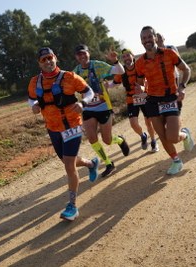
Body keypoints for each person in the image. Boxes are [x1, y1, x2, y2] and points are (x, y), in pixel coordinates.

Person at [27, 47, 98, 221]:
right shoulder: (35, 82)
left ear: (55, 58)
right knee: (70, 161)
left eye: (50, 58)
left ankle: (72, 206)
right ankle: (90, 164)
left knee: (68, 165)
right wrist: (33, 105)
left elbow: (88, 91)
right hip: (53, 128)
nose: (48, 62)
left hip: (72, 126)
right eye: (43, 60)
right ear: (39, 63)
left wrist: (83, 104)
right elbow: (31, 97)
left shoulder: (69, 77)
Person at [135, 26, 194, 175]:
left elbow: (186, 69)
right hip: (152, 100)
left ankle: (185, 134)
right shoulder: (140, 62)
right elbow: (140, 84)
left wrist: (182, 87)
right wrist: (140, 90)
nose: (146, 40)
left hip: (170, 97)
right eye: (143, 38)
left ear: (155, 37)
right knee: (162, 135)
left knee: (172, 137)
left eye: (149, 37)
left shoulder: (169, 53)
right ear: (141, 41)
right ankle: (176, 161)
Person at [73, 44, 130, 178]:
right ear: (76, 57)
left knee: (107, 140)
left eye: (84, 53)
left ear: (88, 53)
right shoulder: (75, 71)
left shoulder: (98, 65)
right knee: (92, 139)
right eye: (79, 54)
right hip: (88, 108)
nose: (82, 56)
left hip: (103, 107)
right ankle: (109, 163)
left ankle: (120, 140)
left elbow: (120, 71)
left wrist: (115, 61)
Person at [104, 48, 159, 153]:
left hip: (144, 96)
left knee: (148, 122)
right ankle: (143, 135)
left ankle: (153, 141)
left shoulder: (140, 67)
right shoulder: (121, 71)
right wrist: (108, 85)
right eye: (124, 57)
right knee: (133, 124)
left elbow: (149, 78)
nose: (126, 58)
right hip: (131, 99)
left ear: (132, 56)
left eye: (128, 55)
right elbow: (115, 83)